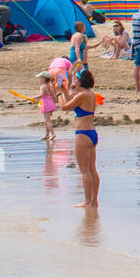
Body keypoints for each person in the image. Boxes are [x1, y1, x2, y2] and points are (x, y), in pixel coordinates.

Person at [58, 68, 101, 208]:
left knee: (85, 170)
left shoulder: (82, 95)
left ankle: (88, 201)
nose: (74, 81)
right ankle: (93, 201)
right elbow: (72, 101)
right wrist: (65, 91)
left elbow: (65, 107)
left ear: (80, 80)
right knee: (92, 169)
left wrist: (59, 93)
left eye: (75, 79)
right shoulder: (89, 94)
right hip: (91, 132)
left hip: (82, 133)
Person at [37, 70, 57, 141]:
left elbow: (41, 95)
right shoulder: (50, 86)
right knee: (47, 120)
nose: (39, 80)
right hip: (51, 104)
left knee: (47, 121)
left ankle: (53, 134)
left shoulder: (43, 86)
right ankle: (47, 135)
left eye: (40, 78)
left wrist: (33, 97)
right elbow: (54, 96)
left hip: (46, 104)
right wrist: (53, 103)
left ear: (43, 78)